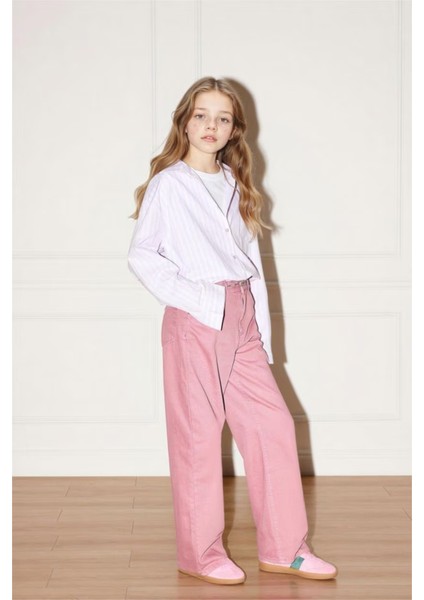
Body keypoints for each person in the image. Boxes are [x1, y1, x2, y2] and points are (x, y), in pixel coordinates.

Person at [128, 76, 337, 586]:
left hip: (241, 315)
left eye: (222, 118)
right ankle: (200, 554)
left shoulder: (235, 183)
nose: (211, 125)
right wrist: (204, 300)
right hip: (197, 316)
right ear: (185, 121)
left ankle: (286, 548)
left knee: (273, 426)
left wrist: (258, 332)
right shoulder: (169, 184)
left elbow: (252, 263)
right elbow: (142, 256)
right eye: (201, 115)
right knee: (198, 437)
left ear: (233, 130)